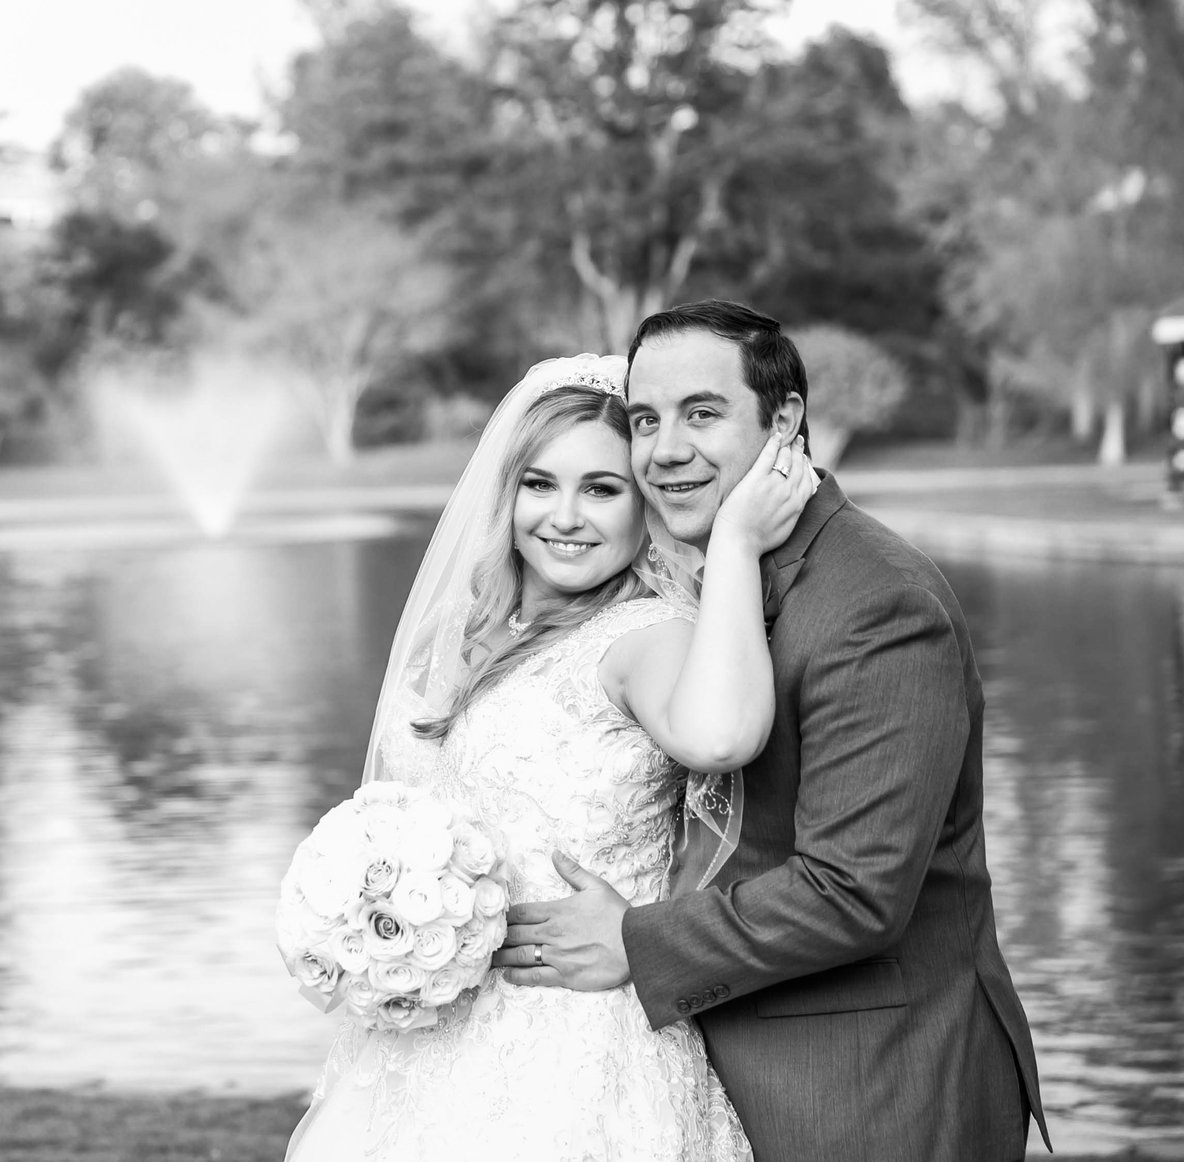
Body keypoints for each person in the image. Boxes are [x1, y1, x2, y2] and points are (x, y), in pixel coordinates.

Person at [493, 301, 1050, 1160]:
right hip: (717, 1068)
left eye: (701, 413)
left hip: (874, 1083)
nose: (665, 450)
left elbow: (853, 892)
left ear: (783, 419)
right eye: (646, 420)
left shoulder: (876, 603)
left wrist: (636, 943)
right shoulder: (719, 572)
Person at [286, 352, 815, 1161]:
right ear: (509, 494)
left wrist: (736, 543)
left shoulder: (647, 637)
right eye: (541, 484)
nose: (565, 517)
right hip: (431, 1030)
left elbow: (720, 739)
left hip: (575, 1038)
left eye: (602, 490)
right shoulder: (469, 632)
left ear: (646, 506)